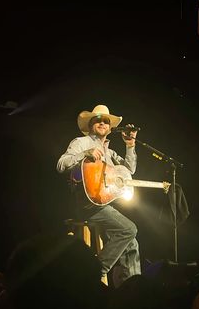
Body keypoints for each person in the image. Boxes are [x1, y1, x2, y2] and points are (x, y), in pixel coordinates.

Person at [56, 104, 141, 288]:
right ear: (91, 125)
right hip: (87, 204)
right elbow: (61, 164)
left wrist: (130, 145)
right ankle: (93, 272)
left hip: (104, 204)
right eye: (98, 120)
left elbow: (129, 171)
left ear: (110, 129)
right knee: (129, 229)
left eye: (106, 121)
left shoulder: (110, 152)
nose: (102, 123)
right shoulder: (81, 142)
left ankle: (133, 293)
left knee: (131, 244)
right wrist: (85, 154)